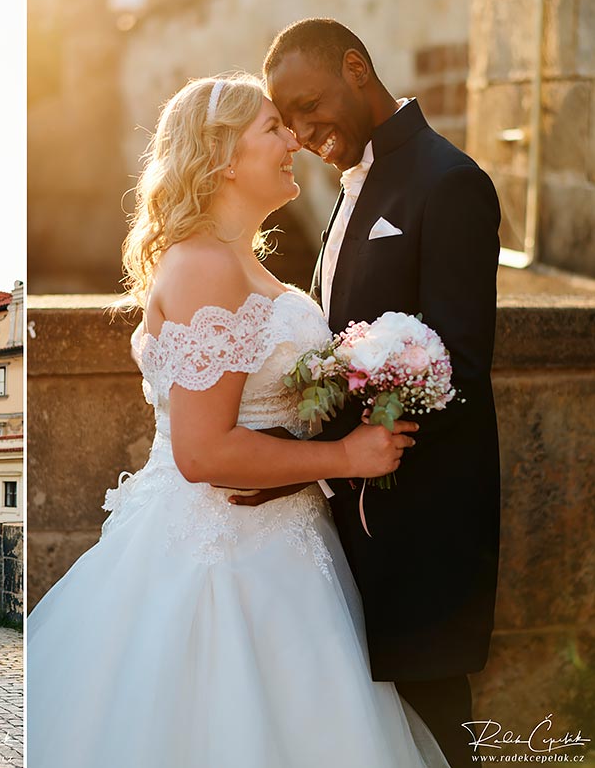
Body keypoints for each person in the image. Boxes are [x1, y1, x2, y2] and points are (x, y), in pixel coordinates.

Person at [27, 74, 448, 767]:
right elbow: (203, 451)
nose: (295, 142)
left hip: (289, 551)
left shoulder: (245, 265)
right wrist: (348, 457)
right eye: (274, 128)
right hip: (220, 559)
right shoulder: (201, 268)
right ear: (223, 154)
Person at [263, 19, 500, 768]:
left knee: (438, 728)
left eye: (309, 105)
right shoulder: (348, 189)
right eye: (288, 120)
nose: (302, 131)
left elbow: (458, 365)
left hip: (420, 526)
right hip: (350, 519)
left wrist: (332, 442)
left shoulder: (450, 180)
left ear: (356, 67)